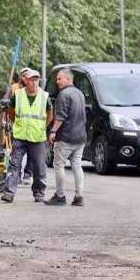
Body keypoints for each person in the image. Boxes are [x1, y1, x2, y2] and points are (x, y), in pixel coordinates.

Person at [1, 68, 53, 203]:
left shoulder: (44, 96)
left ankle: (39, 193)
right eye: (31, 80)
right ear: (25, 80)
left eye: (36, 80)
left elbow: (50, 114)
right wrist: (17, 124)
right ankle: (9, 193)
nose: (34, 83)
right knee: (14, 165)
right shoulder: (17, 95)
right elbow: (11, 113)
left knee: (39, 166)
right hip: (20, 136)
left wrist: (42, 126)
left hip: (37, 136)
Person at [44, 69, 87, 206]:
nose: (57, 82)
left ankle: (60, 196)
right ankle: (79, 196)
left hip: (66, 137)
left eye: (59, 79)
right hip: (80, 137)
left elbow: (61, 116)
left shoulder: (64, 94)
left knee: (59, 165)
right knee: (77, 166)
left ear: (68, 79)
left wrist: (53, 131)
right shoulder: (80, 94)